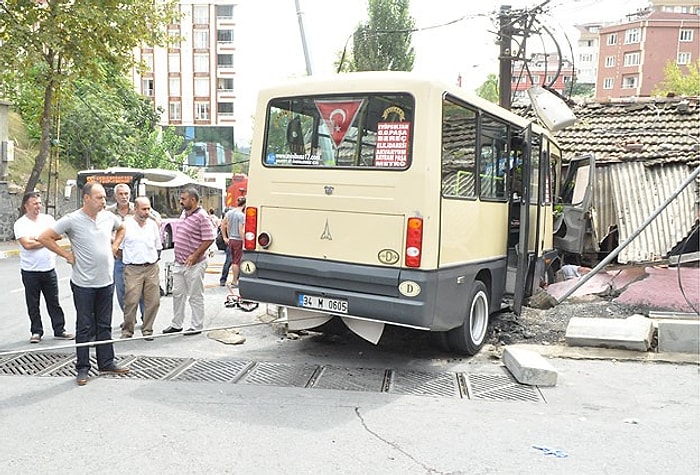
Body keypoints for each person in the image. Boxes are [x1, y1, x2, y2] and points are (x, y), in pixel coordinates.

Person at [38, 182, 129, 386]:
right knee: (85, 326)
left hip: (106, 281)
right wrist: (66, 254)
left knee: (104, 325)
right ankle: (83, 368)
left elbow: (122, 228)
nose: (104, 201)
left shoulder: (107, 217)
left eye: (105, 198)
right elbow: (45, 237)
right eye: (99, 198)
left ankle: (106, 362)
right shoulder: (72, 219)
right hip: (83, 283)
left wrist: (115, 245)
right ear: (86, 198)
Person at [13, 191, 74, 344]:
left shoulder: (48, 220)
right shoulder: (20, 224)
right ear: (26, 206)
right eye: (35, 204)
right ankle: (36, 331)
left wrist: (38, 239)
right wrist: (46, 240)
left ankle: (59, 329)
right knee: (33, 303)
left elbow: (58, 236)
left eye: (39, 203)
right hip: (30, 271)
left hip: (49, 269)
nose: (38, 206)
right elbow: (27, 245)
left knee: (53, 301)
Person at [162, 187, 215, 335]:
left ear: (193, 200)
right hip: (180, 262)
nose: (180, 202)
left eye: (183, 199)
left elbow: (209, 238)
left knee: (195, 295)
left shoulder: (202, 216)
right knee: (178, 294)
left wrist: (195, 255)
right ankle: (176, 324)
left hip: (195, 264)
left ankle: (196, 325)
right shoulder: (184, 214)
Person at [107, 183, 161, 318]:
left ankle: (145, 317)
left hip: (139, 258)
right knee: (122, 291)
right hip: (119, 257)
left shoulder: (138, 207)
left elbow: (156, 219)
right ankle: (129, 318)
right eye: (120, 194)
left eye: (126, 194)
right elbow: (100, 229)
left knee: (143, 291)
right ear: (115, 196)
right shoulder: (108, 212)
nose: (124, 197)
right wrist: (114, 240)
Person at [120, 197, 162, 341]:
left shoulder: (152, 225)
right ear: (135, 209)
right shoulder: (125, 225)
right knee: (131, 300)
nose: (147, 212)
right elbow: (118, 248)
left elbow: (158, 246)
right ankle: (127, 330)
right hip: (133, 269)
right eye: (143, 209)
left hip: (151, 267)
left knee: (153, 300)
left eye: (149, 209)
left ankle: (148, 329)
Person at [221, 196, 246, 287]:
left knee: (229, 260)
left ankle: (223, 279)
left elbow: (223, 224)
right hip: (238, 240)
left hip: (231, 239)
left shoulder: (229, 213)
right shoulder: (242, 216)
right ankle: (235, 281)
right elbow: (241, 230)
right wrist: (244, 241)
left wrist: (225, 237)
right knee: (236, 261)